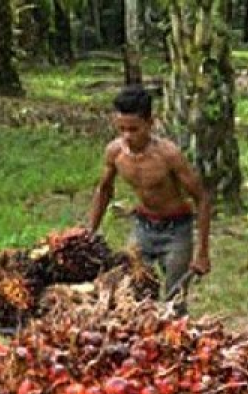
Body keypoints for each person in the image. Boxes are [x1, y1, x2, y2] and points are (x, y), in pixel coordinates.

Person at [85, 84, 212, 312]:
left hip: (176, 231)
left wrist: (202, 252)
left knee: (174, 301)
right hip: (142, 228)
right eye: (121, 128)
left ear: (150, 123)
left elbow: (202, 198)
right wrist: (89, 234)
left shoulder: (169, 155)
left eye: (134, 129)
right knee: (129, 291)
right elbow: (104, 190)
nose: (127, 136)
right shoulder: (115, 152)